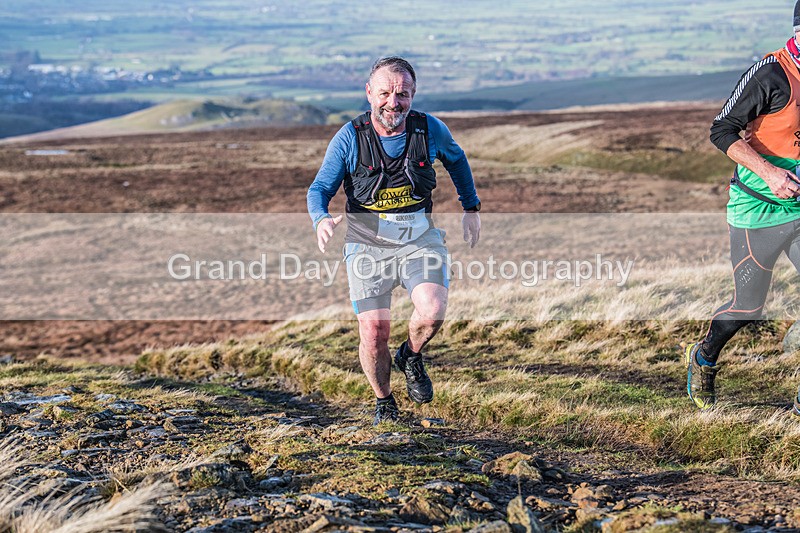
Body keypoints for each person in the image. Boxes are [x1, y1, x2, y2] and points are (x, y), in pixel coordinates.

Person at [307, 57, 481, 424]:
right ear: (369, 93)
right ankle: (384, 402)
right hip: (366, 245)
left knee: (432, 311)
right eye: (385, 93)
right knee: (373, 332)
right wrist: (321, 218)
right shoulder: (349, 138)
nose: (393, 102)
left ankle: (411, 355)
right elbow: (320, 187)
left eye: (402, 94)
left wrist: (472, 207)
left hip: (420, 239)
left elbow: (457, 160)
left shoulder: (429, 129)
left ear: (413, 94)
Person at [687, 2, 800, 412]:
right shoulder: (771, 73)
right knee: (748, 306)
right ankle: (704, 357)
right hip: (759, 209)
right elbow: (721, 130)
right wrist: (770, 173)